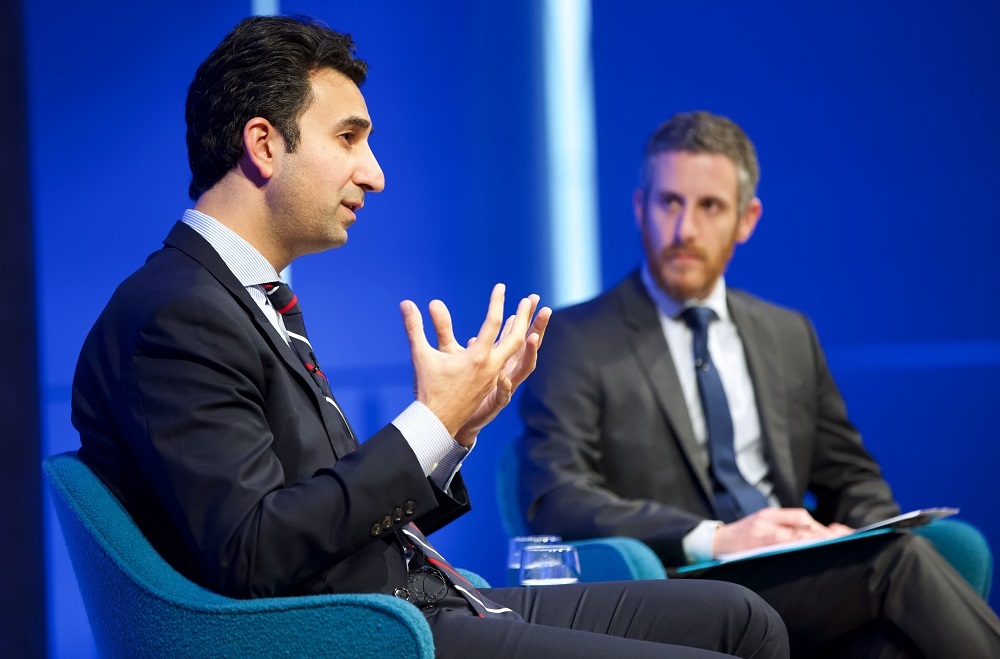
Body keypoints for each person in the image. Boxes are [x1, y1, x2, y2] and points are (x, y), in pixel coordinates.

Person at [70, 18, 789, 659]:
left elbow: (318, 505)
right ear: (263, 144)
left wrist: (456, 427)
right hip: (374, 629)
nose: (375, 174)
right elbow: (252, 552)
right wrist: (431, 421)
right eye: (349, 137)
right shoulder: (175, 313)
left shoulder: (241, 298)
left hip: (424, 598)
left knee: (743, 618)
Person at [517, 110, 1000, 657]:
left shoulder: (787, 333)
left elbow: (852, 477)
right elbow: (556, 498)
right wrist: (716, 538)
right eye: (669, 202)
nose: (686, 231)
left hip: (800, 575)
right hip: (682, 583)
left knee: (890, 640)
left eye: (710, 207)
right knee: (898, 565)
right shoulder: (576, 337)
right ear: (639, 208)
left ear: (747, 219)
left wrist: (856, 534)